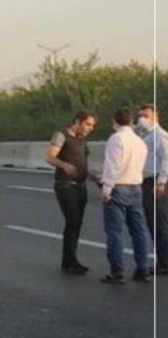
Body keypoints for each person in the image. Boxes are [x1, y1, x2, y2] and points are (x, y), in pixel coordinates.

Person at [100, 107, 150, 284]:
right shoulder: (140, 141)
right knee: (139, 230)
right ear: (130, 122)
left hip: (118, 187)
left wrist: (106, 189)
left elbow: (113, 166)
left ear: (114, 121)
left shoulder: (116, 139)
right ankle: (142, 269)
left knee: (115, 231)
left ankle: (117, 271)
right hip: (136, 187)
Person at [45, 110, 98, 275]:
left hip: (81, 186)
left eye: (92, 126)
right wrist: (64, 166)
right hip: (65, 185)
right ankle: (70, 261)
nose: (90, 128)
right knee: (73, 221)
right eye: (88, 124)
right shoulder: (61, 136)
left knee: (77, 223)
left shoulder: (82, 140)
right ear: (78, 121)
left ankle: (70, 260)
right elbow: (50, 157)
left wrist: (94, 177)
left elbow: (83, 164)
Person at [137, 104, 168, 275]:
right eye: (140, 115)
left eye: (146, 115)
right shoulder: (144, 134)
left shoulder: (160, 135)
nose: (142, 118)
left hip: (156, 181)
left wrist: (161, 182)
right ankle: (162, 259)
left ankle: (164, 262)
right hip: (147, 180)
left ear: (156, 117)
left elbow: (166, 160)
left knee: (159, 222)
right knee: (153, 222)